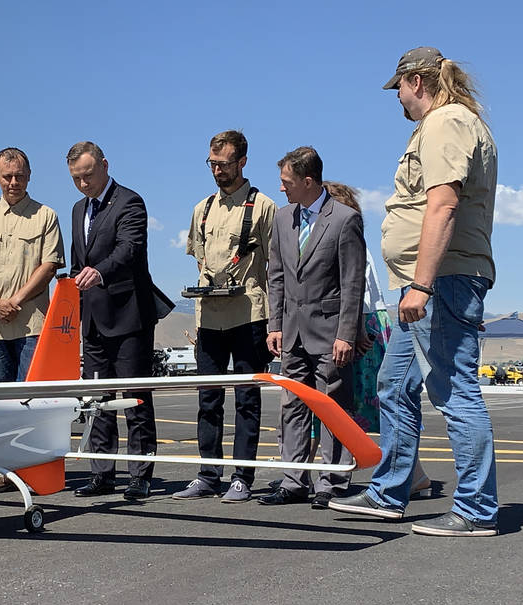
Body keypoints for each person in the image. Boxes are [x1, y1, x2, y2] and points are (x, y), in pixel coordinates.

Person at [329, 47, 499, 536]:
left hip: (440, 281)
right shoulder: (441, 124)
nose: (398, 98)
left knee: (454, 390)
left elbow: (442, 205)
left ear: (417, 82)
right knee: (394, 386)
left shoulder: (447, 121)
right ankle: (388, 493)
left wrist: (421, 284)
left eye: (399, 88)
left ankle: (475, 510)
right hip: (421, 284)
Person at [259, 148, 365, 510]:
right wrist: (275, 325)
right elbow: (276, 276)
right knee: (293, 406)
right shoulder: (283, 218)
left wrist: (346, 334)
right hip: (292, 332)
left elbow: (353, 283)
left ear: (308, 181)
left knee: (332, 406)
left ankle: (332, 482)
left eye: (287, 182)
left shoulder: (345, 220)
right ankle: (293, 479)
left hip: (330, 332)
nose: (281, 188)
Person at [174, 130, 276, 503]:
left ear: (242, 162)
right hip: (209, 318)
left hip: (248, 315)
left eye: (224, 164)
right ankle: (207, 474)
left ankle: (242, 477)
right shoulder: (202, 210)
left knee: (247, 399)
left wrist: (275, 321)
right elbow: (200, 259)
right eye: (212, 164)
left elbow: (274, 267)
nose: (217, 170)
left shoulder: (263, 207)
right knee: (208, 399)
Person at [323, 180, 432, 498]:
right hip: (360, 324)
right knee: (372, 408)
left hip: (362, 326)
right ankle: (413, 474)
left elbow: (363, 290)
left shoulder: (347, 238)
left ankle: (411, 474)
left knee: (375, 406)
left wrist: (361, 331)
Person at [0, 147, 64, 493]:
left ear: (29, 176)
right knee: (1, 403)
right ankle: (4, 470)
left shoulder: (45, 216)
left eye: (19, 176)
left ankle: (30, 468)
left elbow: (49, 266)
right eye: (7, 176)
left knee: (29, 400)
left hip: (31, 322)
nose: (13, 182)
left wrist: (16, 300)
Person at [66, 141, 158, 501]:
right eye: (76, 178)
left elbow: (128, 249)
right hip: (93, 321)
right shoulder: (77, 210)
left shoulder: (129, 202)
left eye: (88, 175)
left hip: (128, 318)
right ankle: (102, 472)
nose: (84, 183)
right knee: (98, 402)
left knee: (135, 400)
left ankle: (140, 475)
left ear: (104, 165)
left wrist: (98, 273)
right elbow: (78, 262)